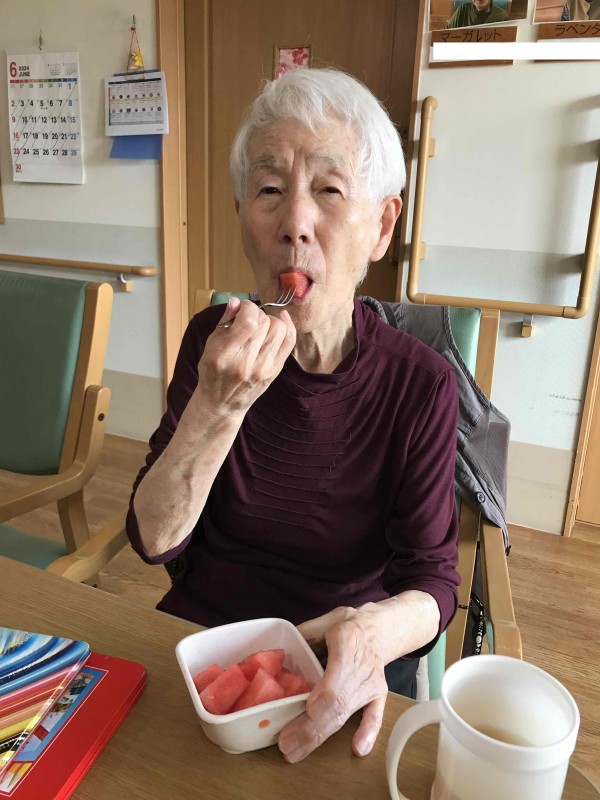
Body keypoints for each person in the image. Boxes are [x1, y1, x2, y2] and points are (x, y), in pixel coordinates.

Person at [126, 68, 460, 763]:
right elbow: (154, 539)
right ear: (243, 215)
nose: (294, 224)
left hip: (335, 664)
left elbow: (433, 581)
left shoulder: (420, 383)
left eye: (330, 191)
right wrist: (218, 405)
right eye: (270, 190)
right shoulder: (212, 343)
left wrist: (372, 634)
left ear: (382, 226)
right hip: (204, 648)